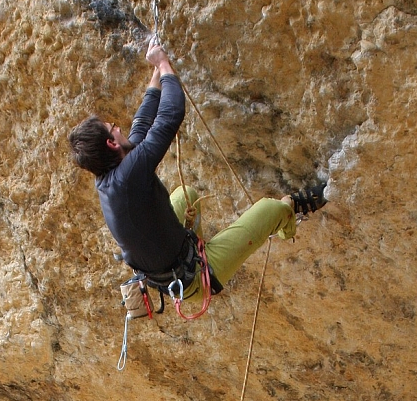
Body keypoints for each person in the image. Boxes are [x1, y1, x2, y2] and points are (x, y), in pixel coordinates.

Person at [68, 41, 328, 306]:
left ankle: (199, 248)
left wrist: (157, 75)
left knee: (186, 195)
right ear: (112, 144)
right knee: (272, 208)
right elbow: (171, 115)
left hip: (170, 268)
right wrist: (165, 64)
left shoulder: (111, 175)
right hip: (195, 281)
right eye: (114, 129)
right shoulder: (129, 174)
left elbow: (142, 124)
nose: (119, 128)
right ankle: (289, 217)